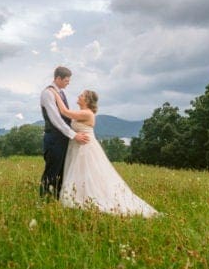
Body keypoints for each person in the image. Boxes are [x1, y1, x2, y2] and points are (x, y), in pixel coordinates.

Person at [51, 88, 162, 218]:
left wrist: (54, 93)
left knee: (90, 175)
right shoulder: (83, 112)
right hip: (77, 146)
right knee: (80, 174)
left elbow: (64, 112)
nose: (79, 96)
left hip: (85, 149)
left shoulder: (87, 113)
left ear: (87, 100)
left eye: (81, 95)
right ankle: (79, 200)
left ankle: (89, 201)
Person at [40, 66, 90, 198]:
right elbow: (55, 119)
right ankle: (44, 201)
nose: (69, 82)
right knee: (52, 172)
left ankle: (56, 200)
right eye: (67, 80)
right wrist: (74, 135)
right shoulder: (48, 93)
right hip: (54, 139)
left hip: (62, 139)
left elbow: (66, 115)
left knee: (61, 172)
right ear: (58, 78)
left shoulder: (60, 93)